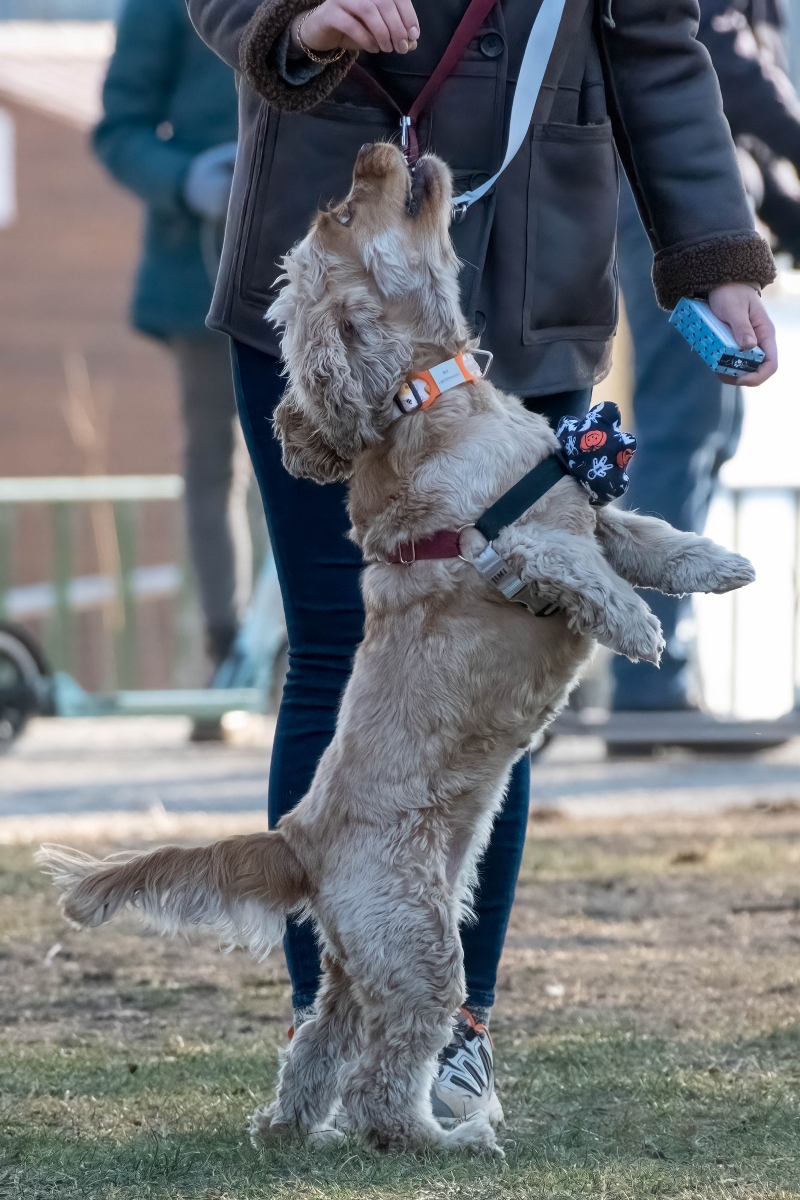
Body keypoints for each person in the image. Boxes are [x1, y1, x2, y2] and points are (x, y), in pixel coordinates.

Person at [186, 0, 778, 1125]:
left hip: (527, 271)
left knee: (499, 674)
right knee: (338, 650)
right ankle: (343, 1020)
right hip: (336, 294)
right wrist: (297, 22)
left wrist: (713, 253)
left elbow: (654, 42)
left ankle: (453, 1038)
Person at [611, 0, 800, 724]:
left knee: (705, 428)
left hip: (698, 203)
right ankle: (648, 680)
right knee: (683, 426)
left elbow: (741, 118)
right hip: (665, 205)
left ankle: (653, 673)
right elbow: (721, 65)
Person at [94, 0, 252, 715]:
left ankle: (300, 653)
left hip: (324, 258)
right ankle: (227, 663)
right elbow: (119, 130)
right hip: (202, 264)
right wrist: (185, 179)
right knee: (213, 466)